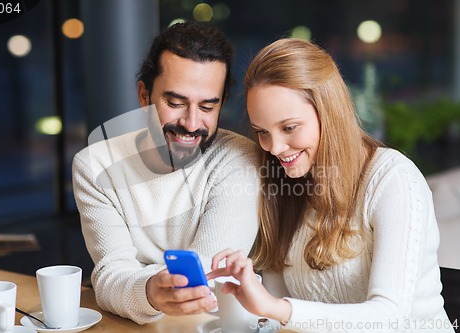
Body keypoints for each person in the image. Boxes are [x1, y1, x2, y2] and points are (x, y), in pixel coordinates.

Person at [207, 38, 455, 332]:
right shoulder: (285, 186)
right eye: (262, 131)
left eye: (289, 128)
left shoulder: (393, 179)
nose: (274, 147)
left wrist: (275, 307)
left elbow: (390, 316)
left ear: (328, 112)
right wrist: (245, 292)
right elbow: (279, 316)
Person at [72, 22, 260, 325]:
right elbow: (108, 277)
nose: (191, 123)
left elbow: (206, 281)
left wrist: (132, 284)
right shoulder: (94, 165)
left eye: (208, 106)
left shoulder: (238, 158)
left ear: (222, 103)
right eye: (175, 103)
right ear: (144, 95)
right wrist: (148, 291)